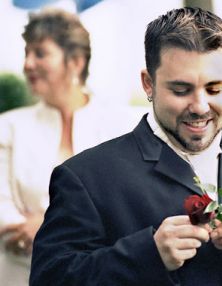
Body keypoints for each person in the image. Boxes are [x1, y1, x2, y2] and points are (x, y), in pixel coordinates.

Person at [30, 7, 222, 286]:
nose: (200, 106)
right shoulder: (85, 178)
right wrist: (148, 255)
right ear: (148, 84)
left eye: (214, 88)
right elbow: (50, 279)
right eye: (181, 89)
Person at [0, 9, 137, 286]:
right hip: (21, 274)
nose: (27, 64)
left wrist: (48, 227)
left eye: (39, 53)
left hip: (99, 274)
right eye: (26, 52)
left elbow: (125, 204)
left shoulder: (123, 124)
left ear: (75, 61)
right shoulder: (8, 126)